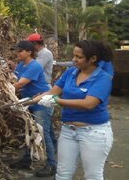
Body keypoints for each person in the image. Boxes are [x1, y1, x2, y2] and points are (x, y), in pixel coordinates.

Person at [36, 40, 114, 180]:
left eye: (79, 57)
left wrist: (57, 101)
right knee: (62, 174)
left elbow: (88, 104)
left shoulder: (103, 78)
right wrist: (26, 101)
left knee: (93, 176)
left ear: (93, 59)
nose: (74, 60)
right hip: (68, 131)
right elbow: (52, 93)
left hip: (94, 133)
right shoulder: (71, 73)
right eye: (74, 56)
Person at [12, 40, 57, 177]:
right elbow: (14, 78)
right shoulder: (20, 65)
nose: (17, 53)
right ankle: (27, 159)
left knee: (44, 134)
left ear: (29, 52)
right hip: (29, 102)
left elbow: (19, 84)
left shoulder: (35, 66)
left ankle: (52, 165)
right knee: (29, 130)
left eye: (20, 51)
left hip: (41, 103)